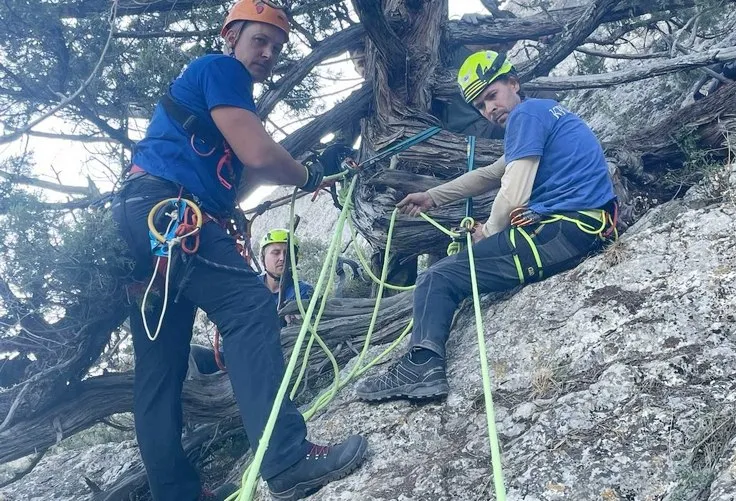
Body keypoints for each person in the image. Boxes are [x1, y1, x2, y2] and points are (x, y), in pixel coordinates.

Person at [110, 1, 367, 500]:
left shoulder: (215, 98)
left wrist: (308, 165)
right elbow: (260, 154)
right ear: (230, 34)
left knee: (160, 366)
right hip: (171, 212)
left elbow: (242, 180)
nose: (268, 53)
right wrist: (310, 173)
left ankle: (176, 494)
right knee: (251, 307)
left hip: (139, 220)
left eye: (276, 47)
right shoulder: (220, 69)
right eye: (259, 40)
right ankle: (288, 459)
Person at [356, 50, 618, 402]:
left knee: (437, 276)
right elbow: (491, 173)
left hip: (560, 231)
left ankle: (422, 366)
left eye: (492, 95)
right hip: (579, 228)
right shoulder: (541, 114)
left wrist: (487, 232)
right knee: (449, 273)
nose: (489, 110)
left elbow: (513, 192)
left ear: (514, 83)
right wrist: (432, 196)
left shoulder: (527, 114)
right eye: (480, 105)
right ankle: (422, 362)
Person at [189, 228, 314, 375]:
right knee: (192, 353)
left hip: (269, 359)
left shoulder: (303, 292)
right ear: (263, 258)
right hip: (232, 355)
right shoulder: (248, 286)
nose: (282, 258)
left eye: (287, 253)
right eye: (276, 252)